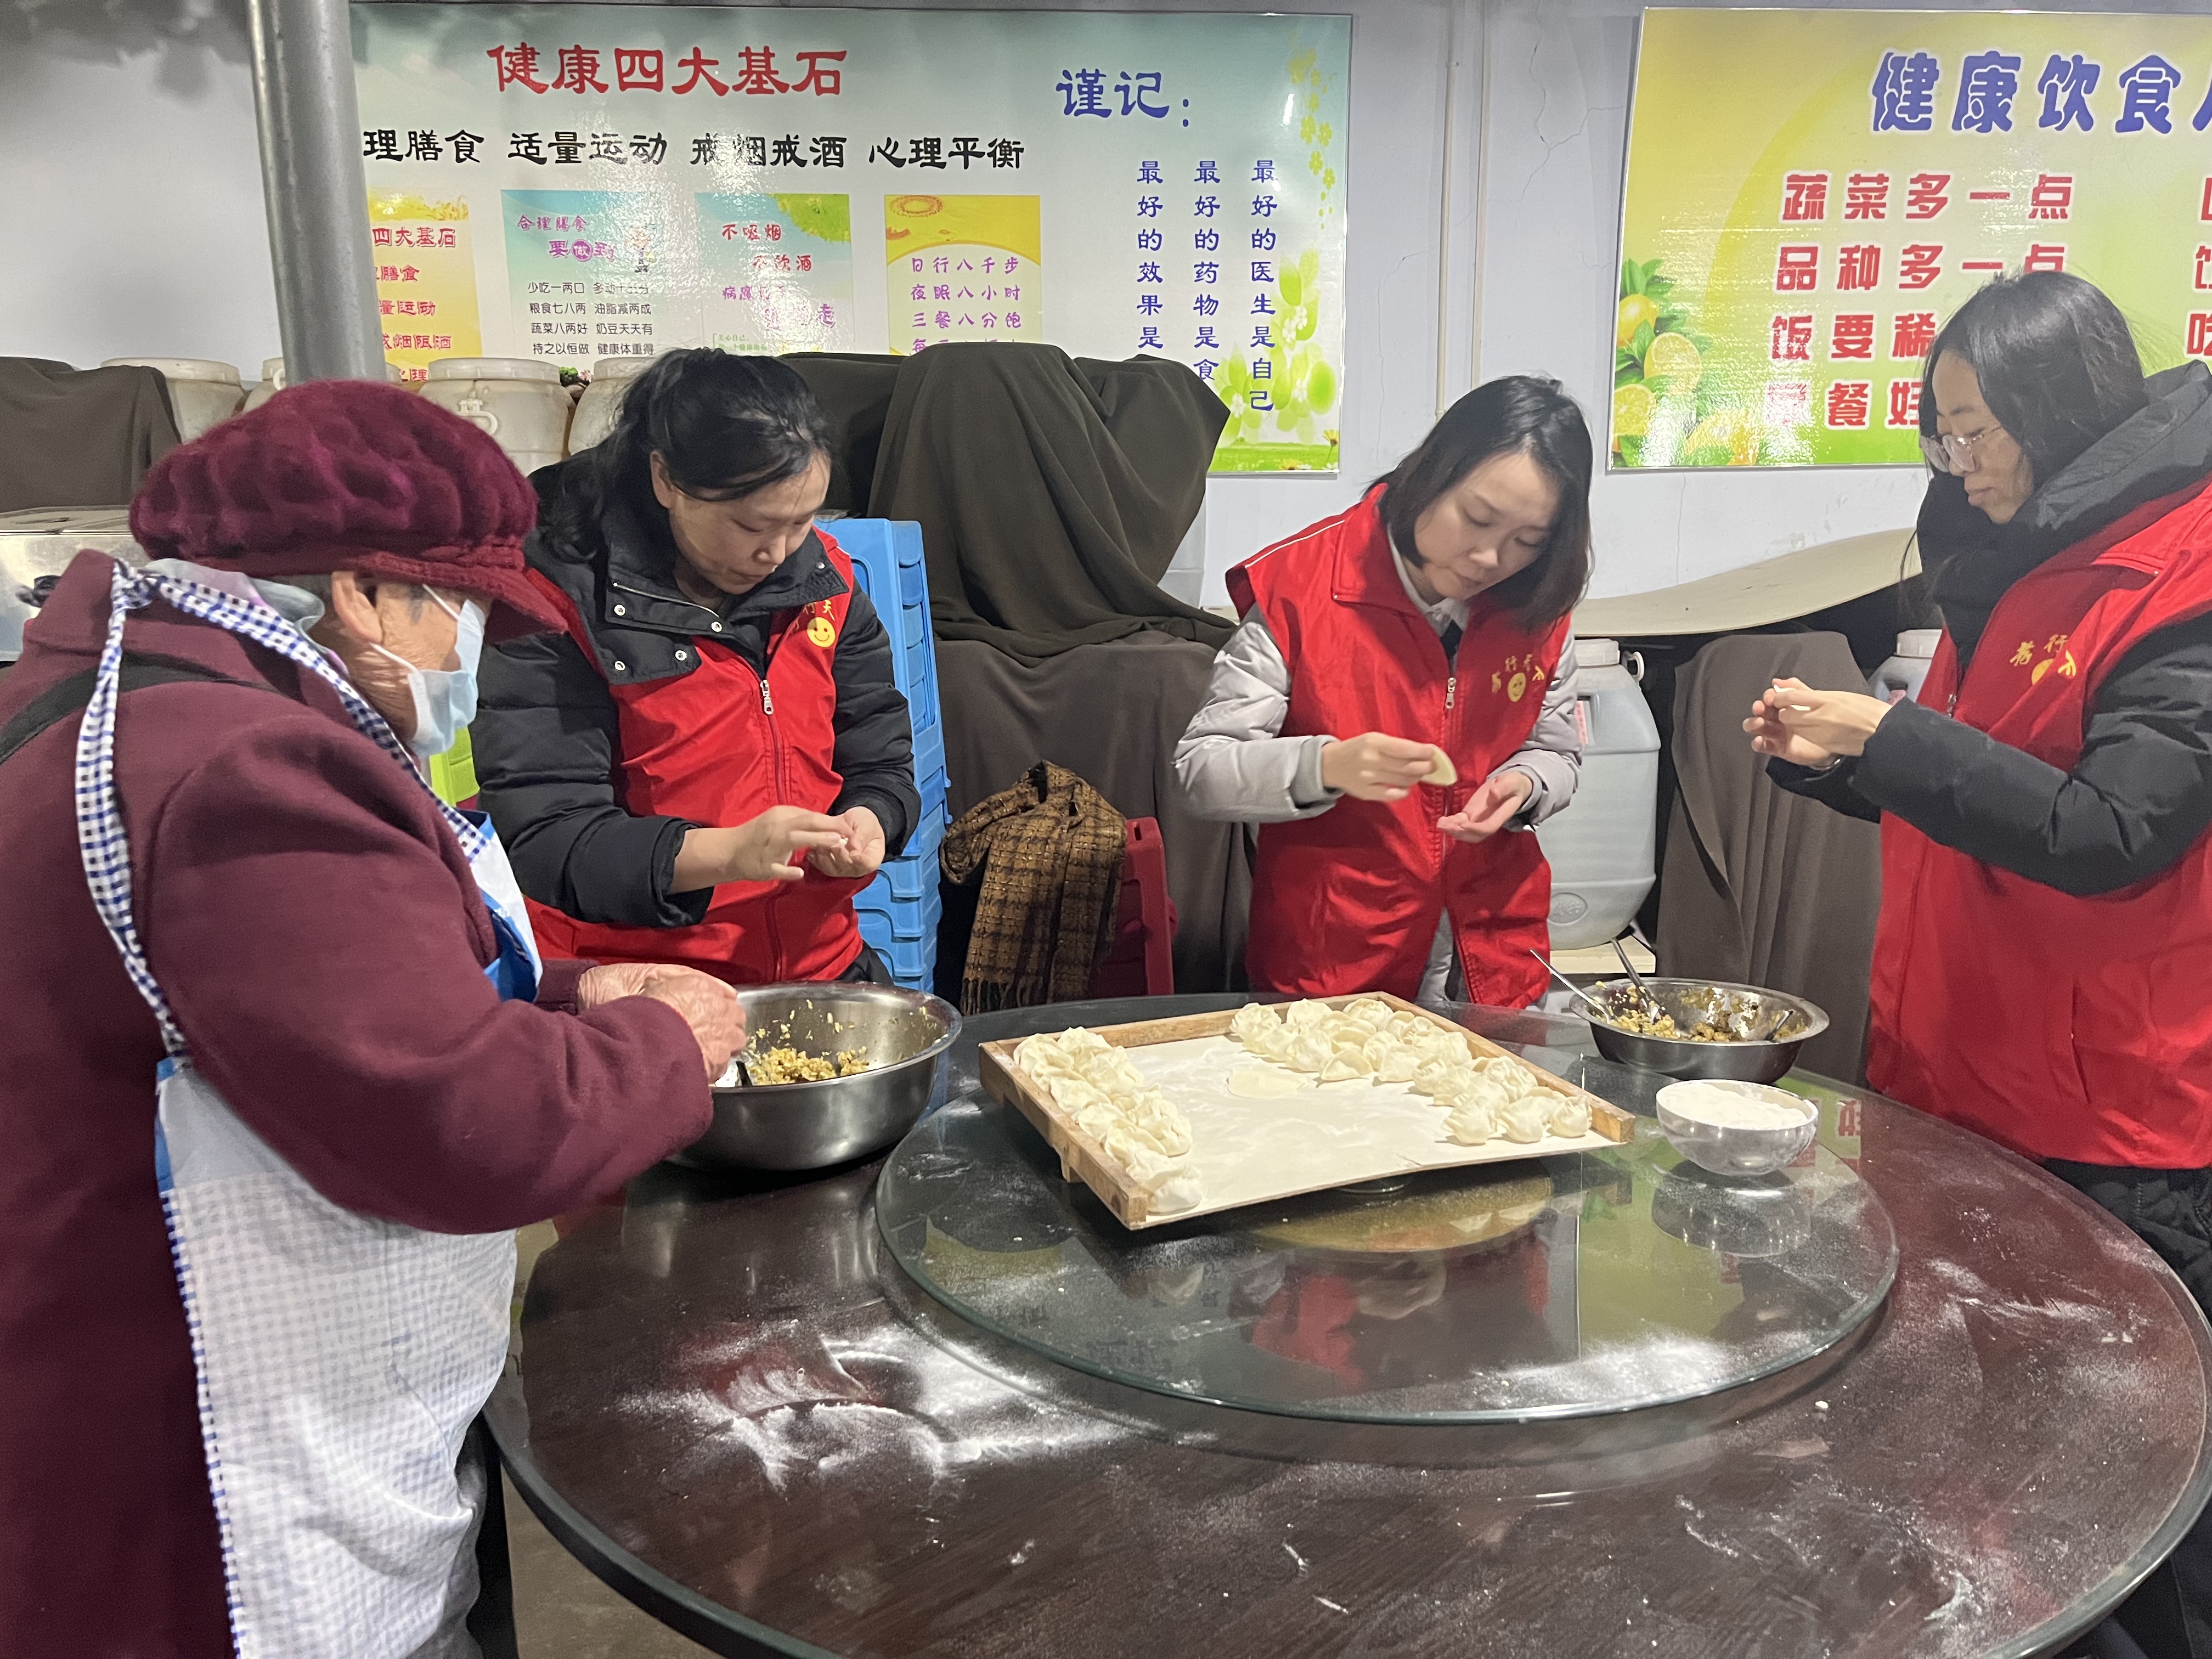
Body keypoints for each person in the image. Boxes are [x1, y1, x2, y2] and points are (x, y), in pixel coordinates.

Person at [0, 379, 746, 1657]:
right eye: (463, 612)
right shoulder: (243, 766)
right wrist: (669, 1045)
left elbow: (302, 993)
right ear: (362, 592)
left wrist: (569, 989)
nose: (467, 655)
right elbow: (463, 1121)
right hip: (193, 1448)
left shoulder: (123, 694)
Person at [1751, 270, 2212, 1658]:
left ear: (2057, 408)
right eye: (1941, 430)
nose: (1957, 459)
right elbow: (1992, 790)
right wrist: (1842, 763)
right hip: (1962, 1076)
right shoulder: (2011, 557)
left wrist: (1890, 741)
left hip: (2105, 1120)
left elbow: (2112, 831)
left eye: (1977, 428)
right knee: (1988, 1472)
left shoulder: (2182, 573)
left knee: (2122, 1489)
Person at [474, 348, 920, 988]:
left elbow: (881, 758)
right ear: (666, 481)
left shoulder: (828, 584)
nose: (778, 552)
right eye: (751, 525)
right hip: (641, 988)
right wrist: (728, 854)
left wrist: (874, 818)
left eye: (801, 522)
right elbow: (548, 835)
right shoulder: (557, 600)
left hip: (819, 967)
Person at [1174, 375, 1593, 1003]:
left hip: (1491, 953)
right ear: (1431, 474)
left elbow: (1558, 751)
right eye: (1477, 518)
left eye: (1527, 541)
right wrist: (1326, 766)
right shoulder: (1300, 585)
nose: (1489, 558)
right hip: (1336, 958)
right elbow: (1201, 769)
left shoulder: (1538, 602)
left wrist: (1527, 785)